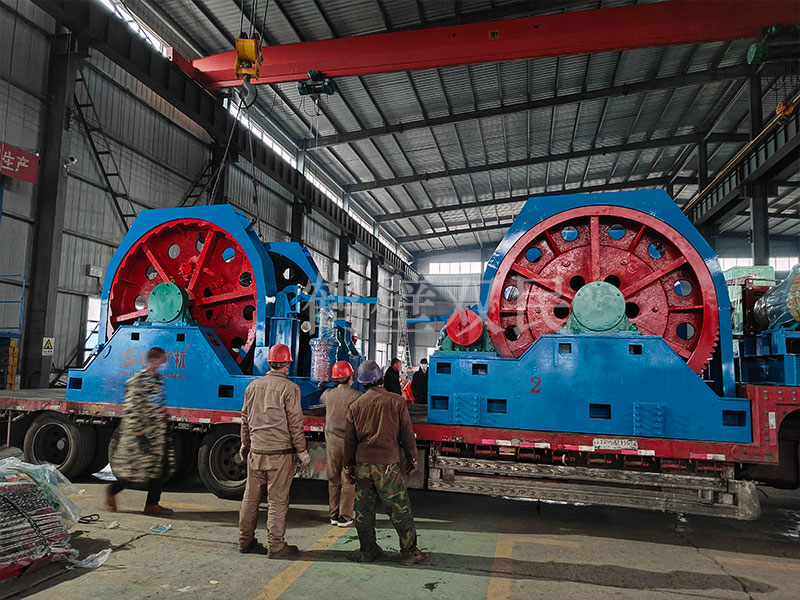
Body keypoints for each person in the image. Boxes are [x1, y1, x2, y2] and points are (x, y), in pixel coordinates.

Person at [343, 360, 430, 565]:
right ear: (381, 378)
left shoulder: (355, 406)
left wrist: (348, 466)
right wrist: (412, 457)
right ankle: (409, 552)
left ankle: (368, 551)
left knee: (363, 511)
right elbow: (407, 432)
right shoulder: (396, 401)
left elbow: (349, 440)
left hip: (363, 464)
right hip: (388, 464)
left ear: (362, 382)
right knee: (399, 509)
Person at [237, 344, 311, 557]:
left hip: (256, 453)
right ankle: (276, 546)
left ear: (269, 363)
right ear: (287, 365)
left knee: (250, 499)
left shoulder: (252, 387)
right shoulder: (290, 389)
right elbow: (295, 423)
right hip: (279, 455)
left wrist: (245, 444)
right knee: (277, 501)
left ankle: (245, 541)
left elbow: (245, 418)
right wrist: (302, 451)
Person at [106, 347, 174, 516]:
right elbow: (132, 410)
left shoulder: (158, 380)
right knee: (135, 471)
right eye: (163, 360)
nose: (165, 363)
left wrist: (164, 416)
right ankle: (113, 490)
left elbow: (157, 404)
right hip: (141, 434)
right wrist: (140, 435)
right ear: (154, 360)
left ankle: (152, 504)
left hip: (157, 433)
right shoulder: (138, 381)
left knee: (161, 469)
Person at [321, 361, 362, 527]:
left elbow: (321, 397)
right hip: (348, 444)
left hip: (332, 443)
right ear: (351, 378)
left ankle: (333, 514)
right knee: (348, 478)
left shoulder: (327, 395)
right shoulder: (357, 397)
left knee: (333, 478)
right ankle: (345, 516)